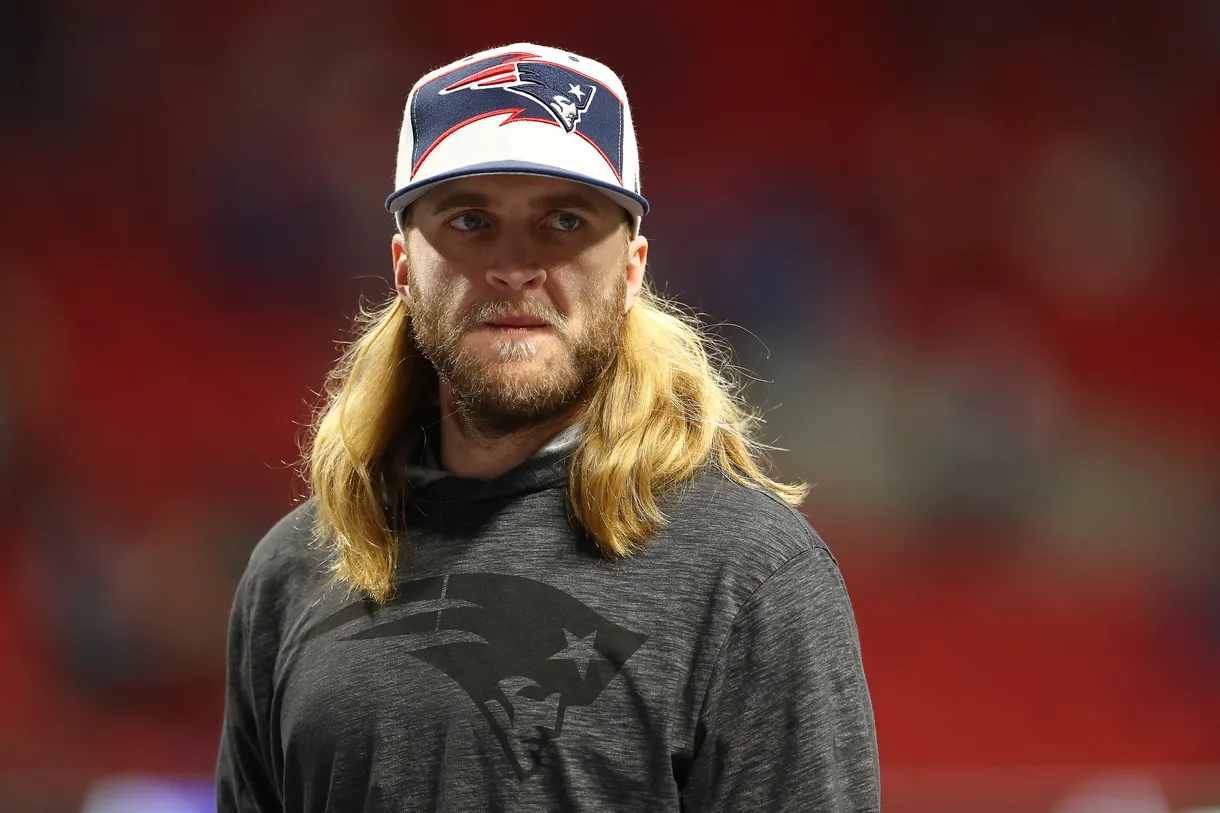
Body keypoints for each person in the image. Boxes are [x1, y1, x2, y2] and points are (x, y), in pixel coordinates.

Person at [215, 42, 880, 812]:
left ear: (631, 268)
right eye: (470, 220)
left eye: (564, 220)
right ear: (403, 266)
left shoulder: (750, 577)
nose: (515, 266)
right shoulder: (292, 571)